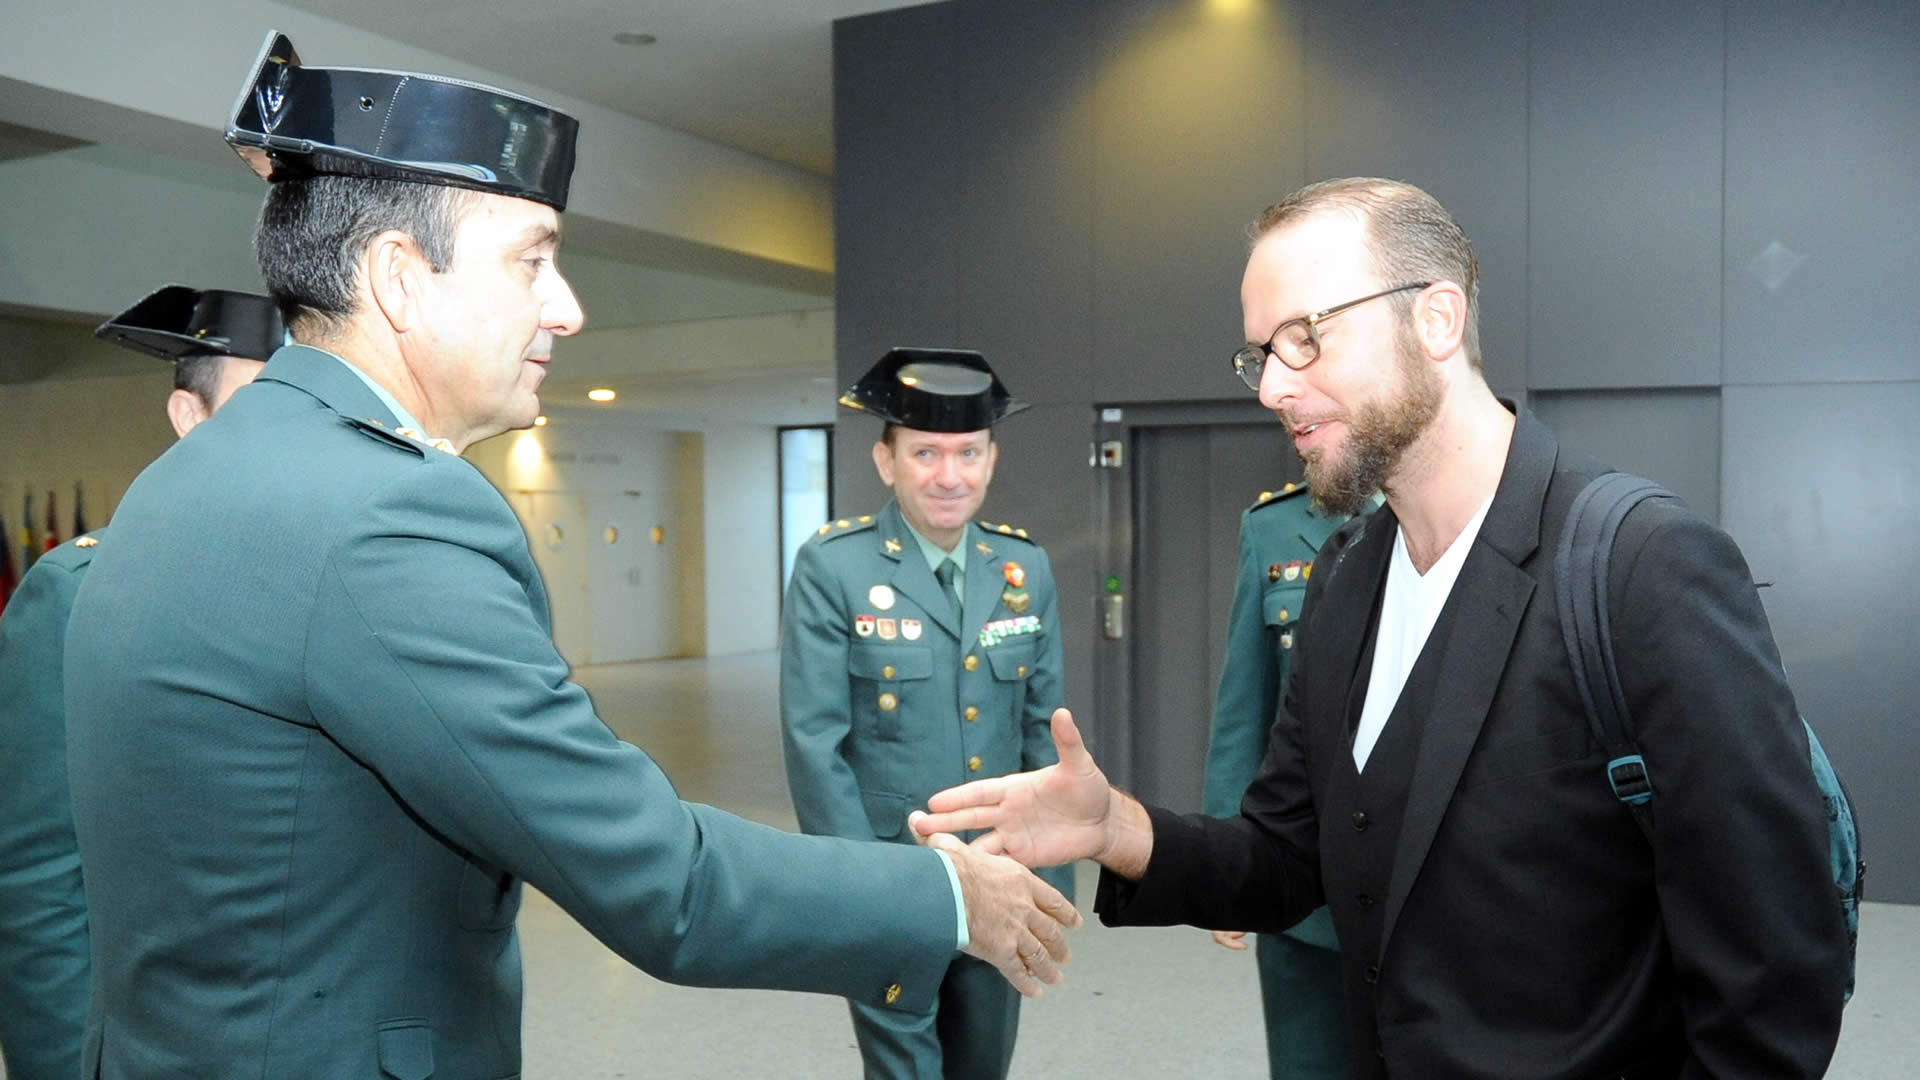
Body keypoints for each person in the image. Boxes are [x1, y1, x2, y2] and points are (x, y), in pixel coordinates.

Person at [61, 32, 1077, 1076]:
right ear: (401, 279)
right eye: (532, 259)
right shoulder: (387, 517)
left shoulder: (192, 477)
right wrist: (949, 892)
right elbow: (660, 882)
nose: (569, 307)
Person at [914, 177, 1850, 1077]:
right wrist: (1115, 826)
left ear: (1436, 319)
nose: (1272, 387)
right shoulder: (1348, 578)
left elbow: (1775, 978)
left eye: (1305, 338)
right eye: (1259, 354)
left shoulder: (1643, 569)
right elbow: (1288, 859)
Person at [0, 285, 276, 1080]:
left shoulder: (372, 585)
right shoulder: (83, 594)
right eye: (265, 405)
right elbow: (37, 884)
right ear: (190, 419)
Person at [783, 348, 1074, 1079]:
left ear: (991, 458)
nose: (951, 475)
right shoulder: (834, 568)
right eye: (926, 454)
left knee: (982, 1062)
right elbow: (815, 744)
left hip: (1000, 873)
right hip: (891, 877)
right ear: (887, 462)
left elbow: (1044, 735)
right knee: (904, 1068)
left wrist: (1047, 882)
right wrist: (856, 890)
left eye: (968, 453)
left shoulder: (1023, 569)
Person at [1200, 481, 1351, 1080]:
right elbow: (1245, 705)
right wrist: (1223, 866)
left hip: (1436, 896)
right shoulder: (1272, 528)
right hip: (1305, 886)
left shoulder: (1457, 508)